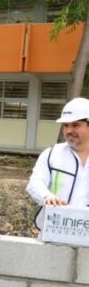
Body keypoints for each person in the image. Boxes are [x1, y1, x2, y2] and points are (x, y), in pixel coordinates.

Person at [27, 97, 89, 227]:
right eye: (66, 125)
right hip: (53, 229)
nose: (69, 131)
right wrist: (47, 197)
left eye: (76, 125)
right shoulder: (51, 154)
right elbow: (35, 183)